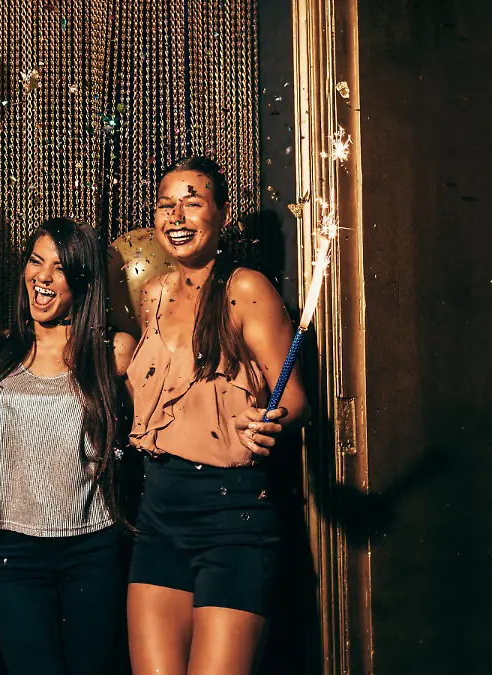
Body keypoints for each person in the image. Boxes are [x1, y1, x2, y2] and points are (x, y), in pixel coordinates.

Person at [125, 157, 308, 675]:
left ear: (222, 215)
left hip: (232, 518)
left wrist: (270, 422)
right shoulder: (153, 296)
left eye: (192, 203)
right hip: (158, 514)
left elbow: (295, 398)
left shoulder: (244, 289)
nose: (176, 216)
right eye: (166, 205)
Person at [0, 218, 135, 674]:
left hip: (91, 547)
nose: (42, 276)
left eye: (60, 267)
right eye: (35, 261)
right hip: (13, 550)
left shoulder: (112, 351)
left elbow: (159, 422)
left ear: (83, 280)